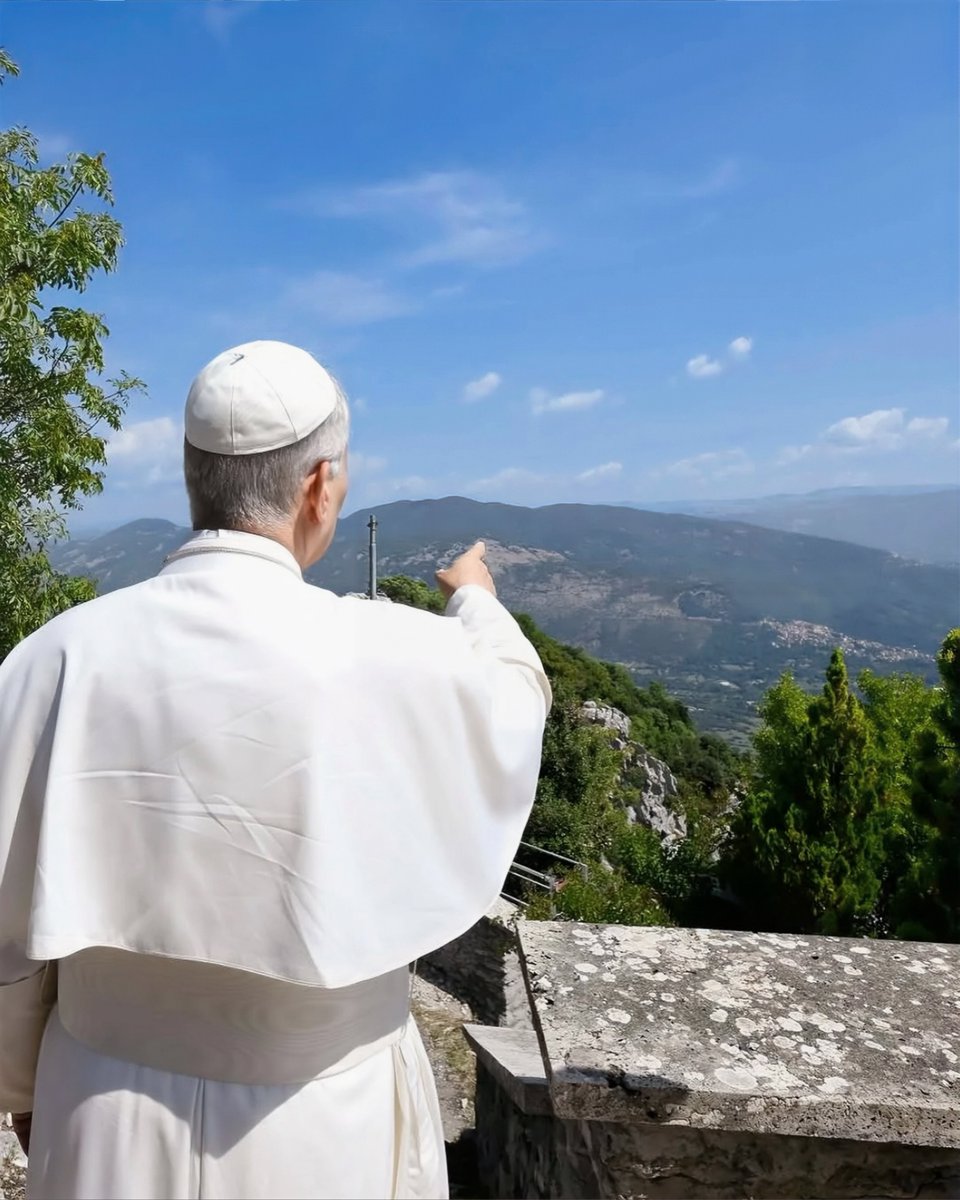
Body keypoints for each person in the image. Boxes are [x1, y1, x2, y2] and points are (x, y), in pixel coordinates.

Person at [0, 340, 551, 1200]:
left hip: (101, 1114)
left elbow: (8, 941)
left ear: (192, 478)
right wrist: (474, 595)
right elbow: (513, 700)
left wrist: (22, 1091)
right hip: (328, 1127)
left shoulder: (55, 659)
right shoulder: (397, 652)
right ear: (319, 487)